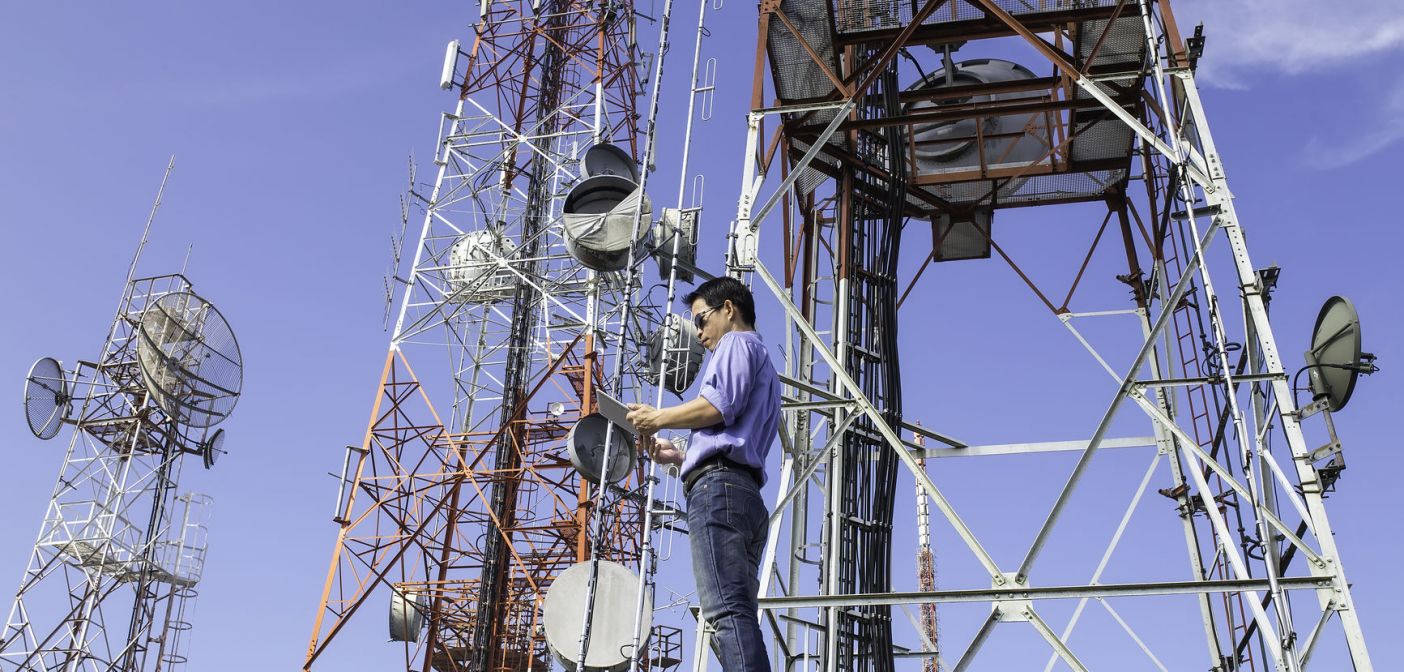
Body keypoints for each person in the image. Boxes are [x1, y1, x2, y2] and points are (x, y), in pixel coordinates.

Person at [627, 276, 780, 672]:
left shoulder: (736, 343)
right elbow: (732, 436)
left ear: (728, 309)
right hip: (743, 494)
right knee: (739, 612)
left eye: (700, 320)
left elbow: (719, 405)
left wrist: (658, 417)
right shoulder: (761, 360)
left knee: (726, 614)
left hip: (719, 494)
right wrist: (678, 455)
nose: (698, 333)